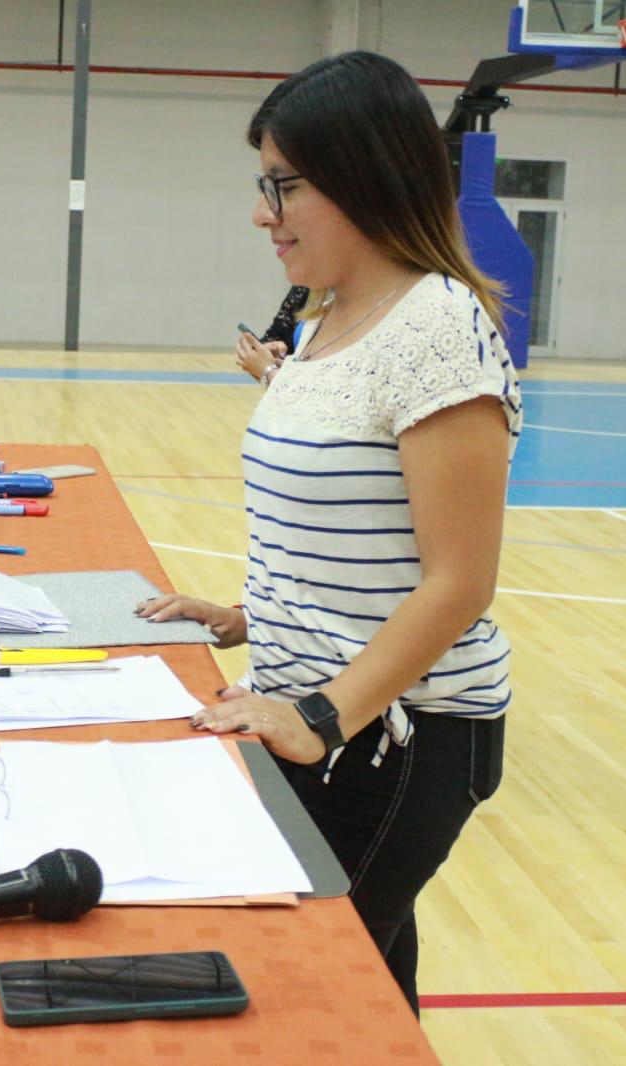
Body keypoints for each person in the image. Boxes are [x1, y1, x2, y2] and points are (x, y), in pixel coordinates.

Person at [138, 51, 523, 1014]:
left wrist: (318, 715)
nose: (261, 214)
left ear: (363, 177)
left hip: (398, 735)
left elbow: (457, 583)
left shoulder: (437, 327)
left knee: (300, 995)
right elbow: (344, 536)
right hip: (328, 712)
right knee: (369, 988)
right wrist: (240, 618)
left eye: (283, 186)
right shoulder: (327, 323)